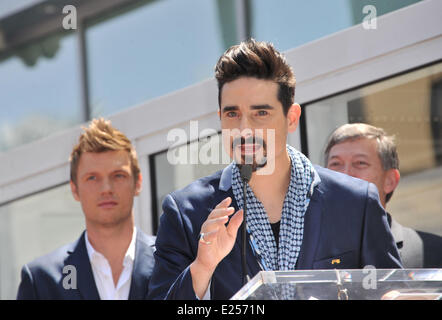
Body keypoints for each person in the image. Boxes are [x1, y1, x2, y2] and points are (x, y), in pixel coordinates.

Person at [148, 39, 402, 300]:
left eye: (260, 113)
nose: (244, 129)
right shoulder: (186, 213)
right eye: (232, 114)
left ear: (291, 118)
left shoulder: (356, 202)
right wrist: (202, 268)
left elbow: (391, 291)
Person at [17, 118, 156, 300]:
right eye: (92, 178)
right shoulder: (41, 280)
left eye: (118, 175)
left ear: (137, 183)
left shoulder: (173, 263)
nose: (106, 188)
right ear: (75, 189)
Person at [324, 123, 442, 268]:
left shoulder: (432, 253)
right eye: (336, 164)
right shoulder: (303, 250)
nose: (345, 174)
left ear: (390, 181)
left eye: (360, 163)